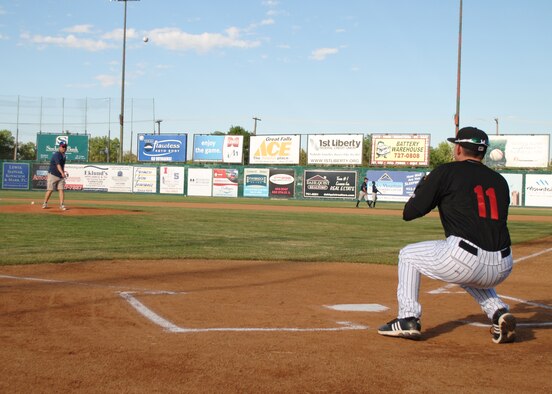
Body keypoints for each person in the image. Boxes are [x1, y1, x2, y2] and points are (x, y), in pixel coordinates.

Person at [378, 127, 516, 344]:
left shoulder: (447, 171)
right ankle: (498, 311)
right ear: (483, 152)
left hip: (464, 257)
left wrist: (420, 189)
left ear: (459, 147)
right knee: (467, 271)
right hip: (504, 263)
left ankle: (408, 318)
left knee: (408, 255)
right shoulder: (500, 181)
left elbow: (410, 213)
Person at [43, 141, 68, 211]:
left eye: (65, 146)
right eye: (63, 146)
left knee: (61, 190)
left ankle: (62, 205)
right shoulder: (56, 155)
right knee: (50, 190)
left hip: (60, 176)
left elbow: (62, 165)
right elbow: (58, 165)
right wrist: (62, 172)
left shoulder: (64, 155)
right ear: (59, 147)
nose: (64, 148)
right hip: (53, 175)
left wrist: (62, 173)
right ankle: (45, 203)